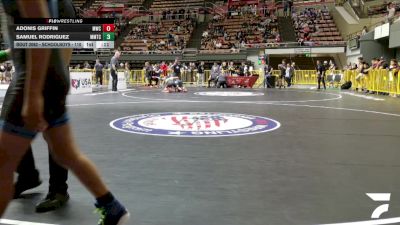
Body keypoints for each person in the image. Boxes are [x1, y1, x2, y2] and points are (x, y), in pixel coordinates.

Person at [0, 1, 129, 224]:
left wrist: (34, 94)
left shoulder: (60, 5)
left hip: (37, 78)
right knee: (66, 152)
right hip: (42, 75)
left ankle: (53, 187)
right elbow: (30, 36)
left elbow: (44, 34)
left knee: (3, 162)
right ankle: (111, 207)